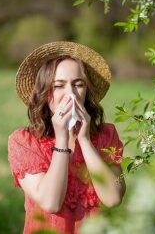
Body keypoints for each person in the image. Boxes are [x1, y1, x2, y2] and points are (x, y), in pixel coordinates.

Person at [8, 41, 126, 234]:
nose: (70, 94)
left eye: (78, 84)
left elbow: (113, 198)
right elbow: (51, 202)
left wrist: (85, 140)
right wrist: (62, 139)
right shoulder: (24, 142)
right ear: (45, 93)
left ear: (86, 91)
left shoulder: (107, 135)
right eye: (59, 86)